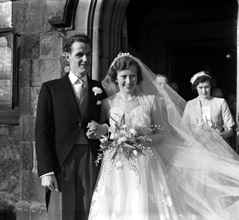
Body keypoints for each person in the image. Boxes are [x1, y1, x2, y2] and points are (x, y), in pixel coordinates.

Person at [87, 53, 239, 220]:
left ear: (138, 77)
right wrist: (102, 134)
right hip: (116, 166)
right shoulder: (108, 103)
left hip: (146, 163)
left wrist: (140, 139)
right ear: (115, 78)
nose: (129, 81)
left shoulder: (151, 100)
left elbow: (161, 135)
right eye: (124, 76)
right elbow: (103, 133)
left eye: (133, 76)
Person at [35, 34, 107, 220]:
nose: (86, 59)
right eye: (80, 54)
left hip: (91, 158)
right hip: (62, 161)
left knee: (90, 210)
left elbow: (110, 121)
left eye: (89, 54)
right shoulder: (50, 89)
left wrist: (102, 129)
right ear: (67, 56)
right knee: (61, 213)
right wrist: (46, 171)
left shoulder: (99, 89)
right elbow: (42, 132)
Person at [182, 71, 235, 142]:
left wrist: (217, 137)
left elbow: (230, 130)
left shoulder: (220, 102)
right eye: (200, 87)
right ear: (196, 88)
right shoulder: (190, 104)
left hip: (218, 144)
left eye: (206, 87)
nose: (204, 91)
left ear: (211, 87)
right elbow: (183, 128)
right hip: (196, 145)